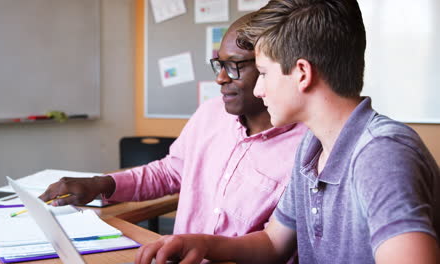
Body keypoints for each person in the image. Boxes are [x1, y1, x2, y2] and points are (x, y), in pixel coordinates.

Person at [134, 0, 440, 263]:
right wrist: (203, 243)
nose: (258, 88)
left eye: (264, 73)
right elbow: (272, 243)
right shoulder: (312, 147)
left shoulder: (381, 154)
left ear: (302, 74)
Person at [39, 13, 306, 237]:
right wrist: (100, 184)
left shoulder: (307, 147)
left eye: (235, 65)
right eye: (219, 65)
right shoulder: (211, 114)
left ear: (270, 67)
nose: (221, 78)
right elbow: (171, 172)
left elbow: (277, 247)